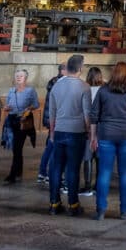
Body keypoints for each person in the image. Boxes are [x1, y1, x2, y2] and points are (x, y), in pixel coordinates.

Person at [89, 62, 126, 220]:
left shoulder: (103, 90)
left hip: (106, 135)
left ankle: (101, 210)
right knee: (125, 173)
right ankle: (124, 210)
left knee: (104, 172)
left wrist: (93, 137)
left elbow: (94, 116)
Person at [47, 54, 92, 216]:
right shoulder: (84, 87)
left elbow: (51, 112)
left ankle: (54, 203)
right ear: (80, 68)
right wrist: (89, 132)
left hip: (59, 130)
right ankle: (73, 204)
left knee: (56, 168)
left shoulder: (56, 86)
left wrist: (52, 131)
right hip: (77, 131)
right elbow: (87, 114)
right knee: (73, 169)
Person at [0, 69, 39, 185]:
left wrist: (28, 109)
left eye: (21, 76)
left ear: (25, 78)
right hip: (12, 120)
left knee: (17, 147)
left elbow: (36, 105)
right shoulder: (11, 90)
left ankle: (12, 174)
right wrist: (7, 108)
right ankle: (18, 172)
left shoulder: (30, 91)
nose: (18, 78)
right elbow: (8, 104)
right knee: (17, 149)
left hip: (23, 121)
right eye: (17, 76)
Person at [38, 63, 66, 184]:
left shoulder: (54, 82)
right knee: (54, 148)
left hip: (52, 119)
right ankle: (50, 174)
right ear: (63, 70)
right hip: (57, 120)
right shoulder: (60, 83)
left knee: (50, 146)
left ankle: (42, 172)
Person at [80, 67, 104, 196]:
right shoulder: (105, 90)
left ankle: (88, 185)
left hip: (88, 126)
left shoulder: (85, 89)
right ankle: (98, 186)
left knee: (88, 156)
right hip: (101, 126)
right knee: (99, 157)